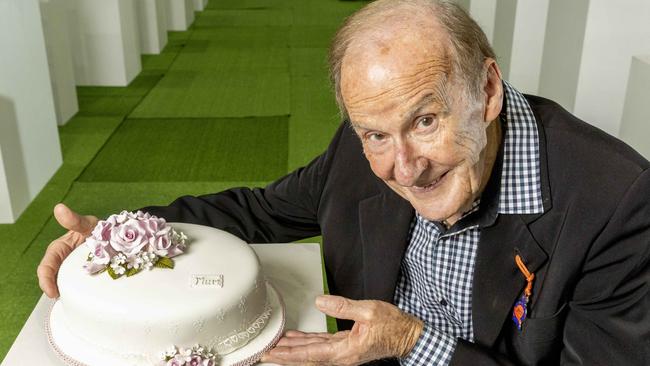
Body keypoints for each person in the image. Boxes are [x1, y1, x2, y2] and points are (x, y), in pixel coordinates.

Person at [37, 0, 650, 365]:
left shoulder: (616, 202)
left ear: (487, 90)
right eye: (376, 135)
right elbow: (257, 213)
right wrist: (125, 232)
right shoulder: (363, 147)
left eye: (426, 121)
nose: (403, 168)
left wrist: (410, 343)